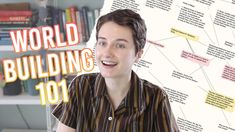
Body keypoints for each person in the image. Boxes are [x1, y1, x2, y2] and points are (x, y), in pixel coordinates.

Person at [52, 9, 179, 132]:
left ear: (138, 54)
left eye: (120, 45)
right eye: (102, 43)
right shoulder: (80, 86)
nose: (107, 53)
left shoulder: (156, 98)